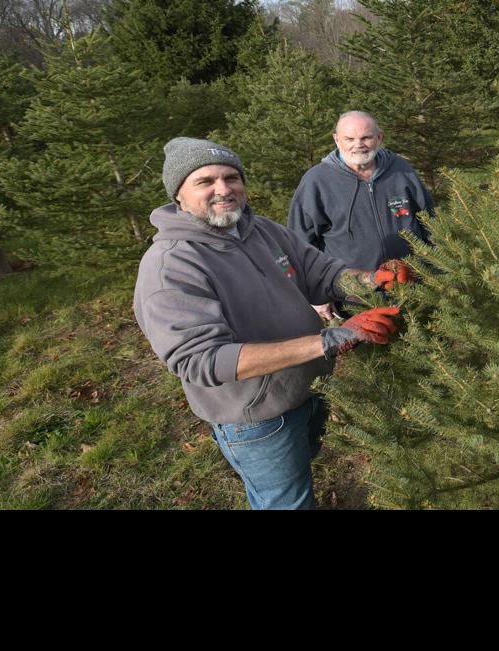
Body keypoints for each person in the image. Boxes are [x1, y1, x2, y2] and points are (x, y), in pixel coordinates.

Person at [132, 137, 415, 510]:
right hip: (257, 417)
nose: (224, 189)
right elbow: (202, 361)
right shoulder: (171, 265)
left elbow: (321, 274)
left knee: (299, 469)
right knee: (286, 502)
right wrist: (329, 341)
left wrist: (371, 280)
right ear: (179, 195)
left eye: (231, 177)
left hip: (307, 388)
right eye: (206, 181)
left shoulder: (261, 230)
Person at [289, 111, 434, 320]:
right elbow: (299, 244)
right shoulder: (316, 181)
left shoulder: (401, 170)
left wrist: (440, 274)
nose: (358, 145)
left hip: (413, 288)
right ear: (336, 139)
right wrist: (315, 295)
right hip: (354, 297)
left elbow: (429, 222)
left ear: (379, 138)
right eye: (349, 139)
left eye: (366, 137)